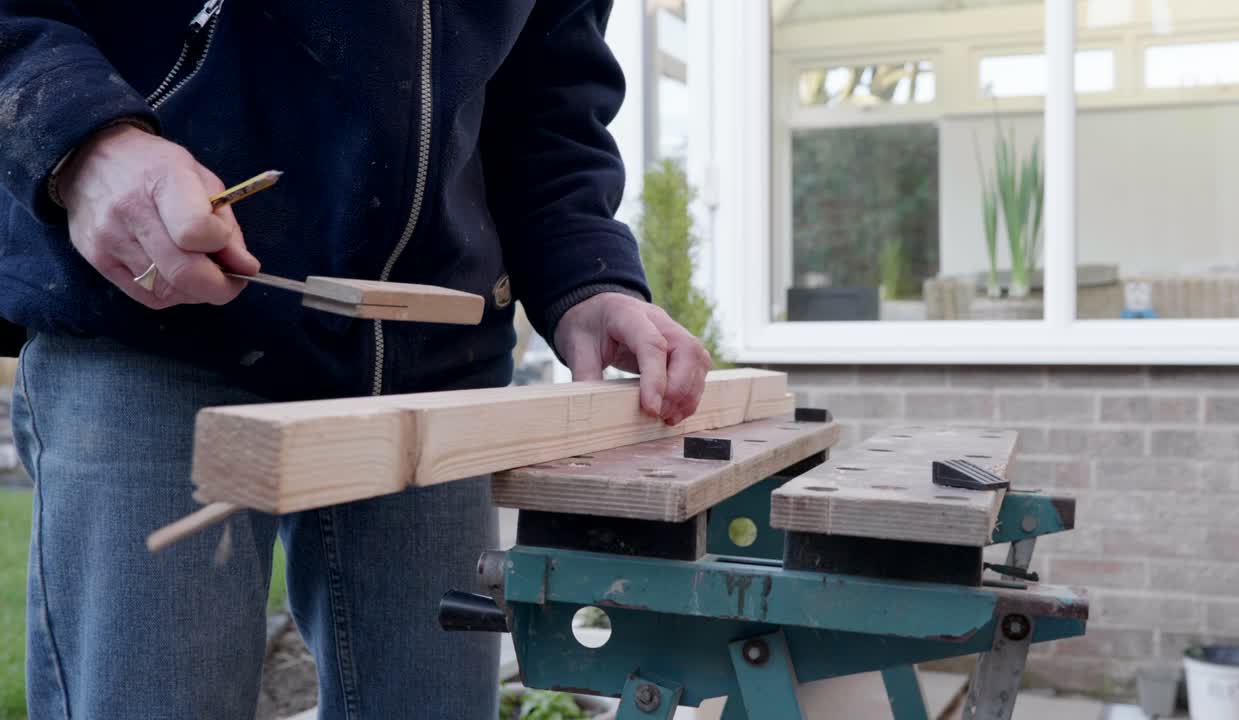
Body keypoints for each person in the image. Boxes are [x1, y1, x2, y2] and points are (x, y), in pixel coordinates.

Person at [0, 1, 712, 717]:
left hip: (434, 374)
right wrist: (85, 139)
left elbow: (549, 105)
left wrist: (585, 279)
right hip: (158, 311)